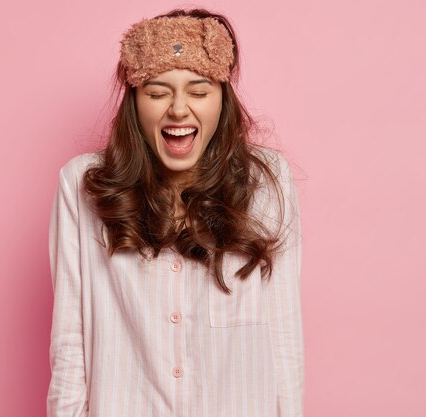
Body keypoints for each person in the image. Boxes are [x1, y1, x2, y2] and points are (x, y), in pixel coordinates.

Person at [47, 8, 304, 417]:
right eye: (157, 92)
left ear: (223, 101)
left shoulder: (268, 183)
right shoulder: (82, 186)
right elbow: (70, 342)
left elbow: (284, 336)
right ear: (134, 102)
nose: (179, 109)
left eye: (199, 92)